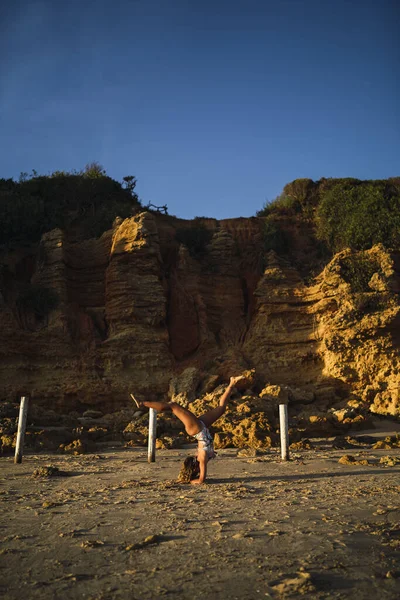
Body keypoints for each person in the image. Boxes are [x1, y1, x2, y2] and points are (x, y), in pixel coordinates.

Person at [130, 376, 244, 484]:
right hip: (202, 427)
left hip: (197, 430)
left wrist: (190, 480)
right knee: (221, 408)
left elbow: (200, 479)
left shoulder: (202, 456)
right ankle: (232, 383)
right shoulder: (203, 458)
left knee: (173, 405)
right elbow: (201, 480)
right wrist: (194, 480)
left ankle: (142, 403)